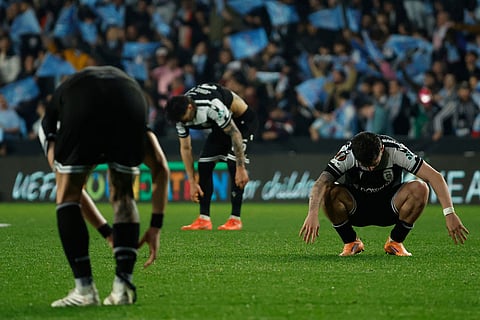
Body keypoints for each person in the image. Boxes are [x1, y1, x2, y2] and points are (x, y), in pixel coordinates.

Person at [42, 65, 162, 307]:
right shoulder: (133, 111)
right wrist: (154, 227)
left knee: (67, 193)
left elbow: (71, 192)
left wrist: (107, 232)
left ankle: (84, 291)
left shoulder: (49, 126)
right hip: (132, 97)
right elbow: (161, 168)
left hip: (82, 101)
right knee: (124, 194)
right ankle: (122, 289)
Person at [299, 131, 469, 256]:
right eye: (365, 166)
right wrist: (312, 213)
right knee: (328, 191)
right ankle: (351, 242)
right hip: (357, 207)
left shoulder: (395, 150)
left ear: (381, 149)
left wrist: (449, 213)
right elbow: (320, 182)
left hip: (389, 206)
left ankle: (395, 242)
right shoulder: (347, 154)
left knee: (421, 188)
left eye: (374, 164)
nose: (371, 169)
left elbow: (435, 177)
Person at [165, 83, 258, 231]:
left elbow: (234, 133)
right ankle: (204, 219)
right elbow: (185, 147)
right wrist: (192, 181)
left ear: (190, 107)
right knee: (204, 165)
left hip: (242, 123)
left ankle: (235, 219)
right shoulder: (180, 117)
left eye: (185, 119)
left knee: (233, 165)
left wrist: (241, 167)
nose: (185, 123)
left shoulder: (212, 106)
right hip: (221, 126)